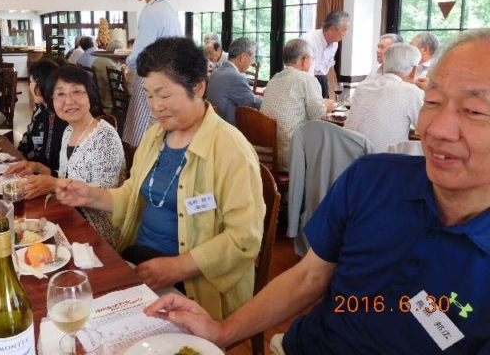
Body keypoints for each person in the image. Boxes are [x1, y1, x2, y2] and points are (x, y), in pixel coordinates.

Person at [145, 29, 490, 354]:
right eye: (432, 101)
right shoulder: (372, 178)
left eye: (474, 111)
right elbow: (308, 276)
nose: (439, 129)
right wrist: (221, 331)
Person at [56, 37, 265, 320]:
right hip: (141, 261)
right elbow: (132, 194)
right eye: (149, 95)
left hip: (194, 283)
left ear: (198, 87)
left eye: (164, 96)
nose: (155, 107)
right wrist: (90, 195)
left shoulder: (231, 150)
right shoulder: (156, 135)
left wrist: (177, 267)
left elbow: (244, 238)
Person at [5, 66, 124, 247]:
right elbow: (65, 176)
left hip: (96, 233)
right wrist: (37, 167)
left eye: (76, 91)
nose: (68, 101)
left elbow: (106, 197)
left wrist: (54, 184)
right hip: (70, 215)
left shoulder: (104, 137)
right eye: (60, 94)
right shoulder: (69, 131)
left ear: (90, 95)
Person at [123, 0, 182, 148]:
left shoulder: (151, 11)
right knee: (163, 134)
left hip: (153, 78)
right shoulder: (168, 9)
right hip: (170, 79)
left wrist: (127, 60)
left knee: (145, 138)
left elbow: (139, 56)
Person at [260, 39, 335, 171]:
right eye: (311, 58)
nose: (311, 62)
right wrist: (327, 107)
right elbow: (316, 114)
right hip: (289, 155)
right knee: (330, 146)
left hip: (265, 155)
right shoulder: (307, 79)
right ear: (304, 60)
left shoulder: (274, 78)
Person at [345, 43, 424, 152]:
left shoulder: (362, 86)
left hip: (348, 156)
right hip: (383, 160)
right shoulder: (412, 92)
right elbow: (427, 129)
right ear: (414, 70)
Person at [15, 58, 68, 172]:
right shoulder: (42, 111)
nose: (29, 87)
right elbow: (34, 138)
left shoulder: (59, 117)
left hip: (51, 177)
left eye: (31, 82)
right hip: (36, 169)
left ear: (41, 85)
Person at [206, 37, 262, 126]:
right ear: (243, 57)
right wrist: (268, 100)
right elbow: (253, 103)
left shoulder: (216, 73)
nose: (251, 62)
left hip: (215, 124)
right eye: (252, 58)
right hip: (230, 128)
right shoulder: (235, 77)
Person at [300, 11, 350, 98]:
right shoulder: (309, 40)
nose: (346, 34)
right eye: (344, 30)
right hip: (304, 83)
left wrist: (332, 97)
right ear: (332, 29)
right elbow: (306, 73)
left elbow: (329, 68)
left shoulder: (335, 44)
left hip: (321, 82)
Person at [91, 40, 123, 115]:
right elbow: (117, 87)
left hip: (99, 98)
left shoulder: (97, 59)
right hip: (109, 102)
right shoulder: (110, 65)